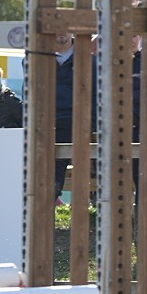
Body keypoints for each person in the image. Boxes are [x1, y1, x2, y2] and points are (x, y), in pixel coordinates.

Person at [53, 31, 97, 202]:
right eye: (58, 27)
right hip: (42, 122)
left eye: (66, 27)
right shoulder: (35, 58)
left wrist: (89, 123)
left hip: (72, 121)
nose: (61, 32)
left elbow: (95, 97)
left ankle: (49, 201)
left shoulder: (89, 61)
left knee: (56, 165)